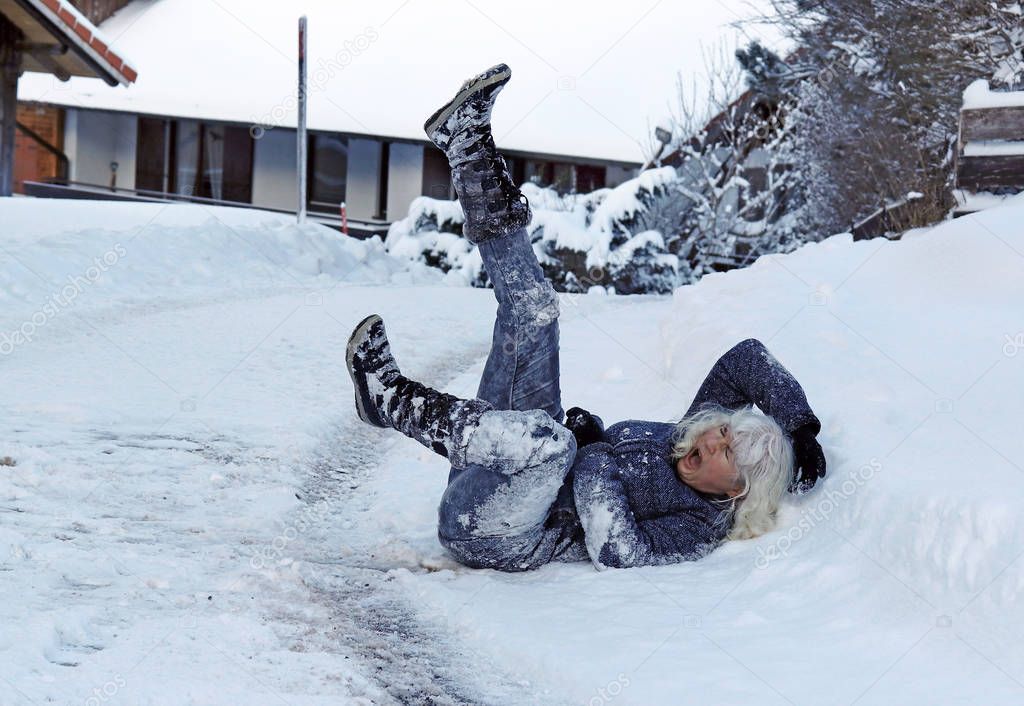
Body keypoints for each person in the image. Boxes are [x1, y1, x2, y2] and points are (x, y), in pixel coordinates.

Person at [345, 64, 826, 572]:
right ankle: (467, 145)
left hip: (495, 531)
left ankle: (388, 400)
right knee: (535, 312)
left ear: (737, 491)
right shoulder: (691, 437)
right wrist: (799, 429)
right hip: (506, 466)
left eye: (727, 454)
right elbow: (747, 360)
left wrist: (592, 452)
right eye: (724, 433)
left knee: (551, 445)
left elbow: (618, 550)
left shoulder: (699, 525)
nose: (711, 441)